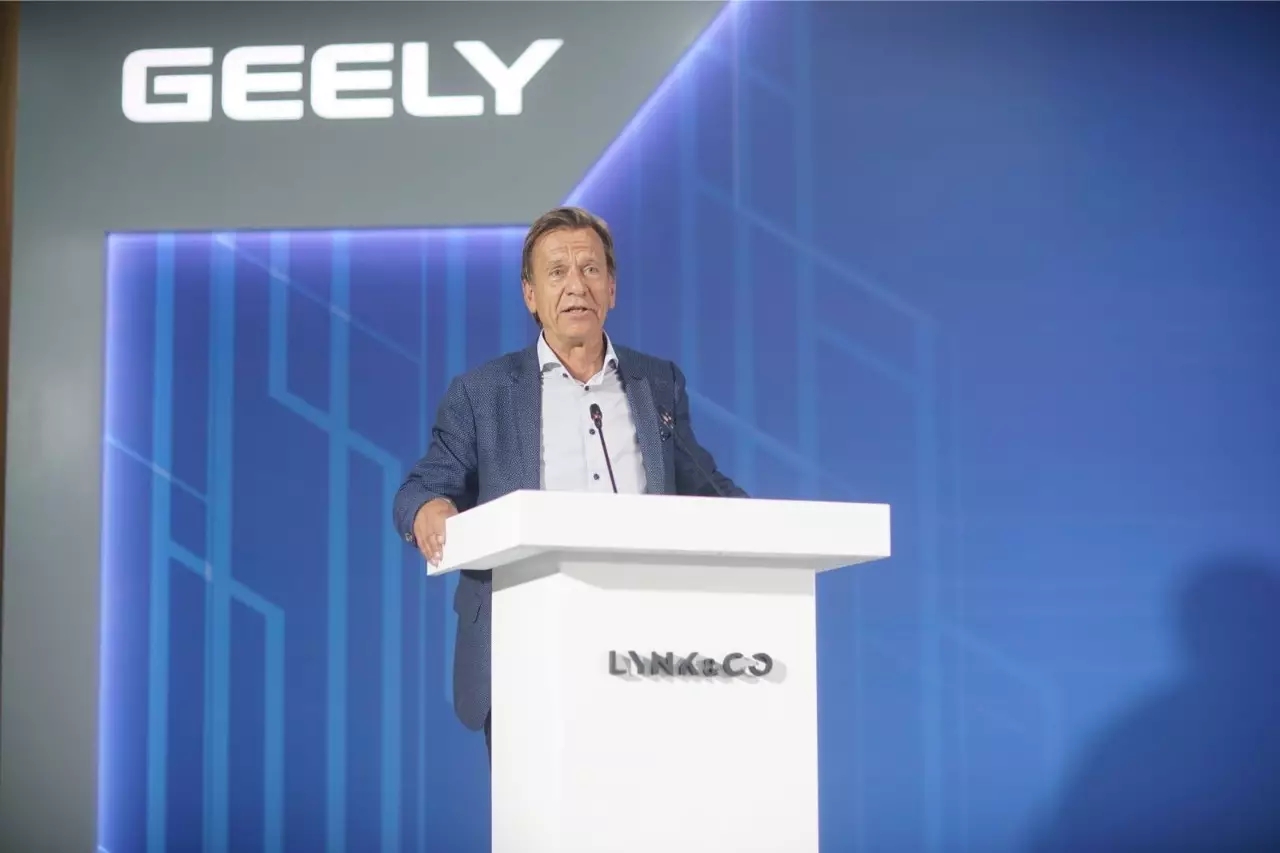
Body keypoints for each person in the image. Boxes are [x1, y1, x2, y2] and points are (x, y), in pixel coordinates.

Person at [392, 205, 746, 761]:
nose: (576, 285)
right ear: (531, 295)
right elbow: (421, 487)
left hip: (648, 638)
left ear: (612, 289)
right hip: (526, 641)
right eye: (557, 272)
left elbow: (700, 480)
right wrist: (426, 509)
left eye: (590, 269)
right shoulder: (484, 393)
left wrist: (759, 522)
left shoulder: (656, 382)